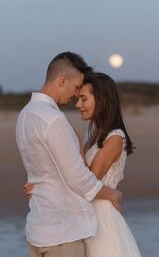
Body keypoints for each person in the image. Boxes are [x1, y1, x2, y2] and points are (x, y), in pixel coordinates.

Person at [15, 52, 122, 257]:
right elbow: (78, 178)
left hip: (38, 232)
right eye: (75, 88)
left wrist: (38, 184)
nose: (74, 96)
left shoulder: (25, 115)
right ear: (62, 80)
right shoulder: (53, 119)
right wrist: (113, 194)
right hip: (63, 234)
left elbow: (44, 170)